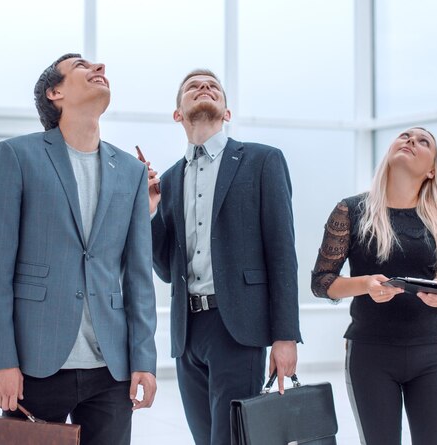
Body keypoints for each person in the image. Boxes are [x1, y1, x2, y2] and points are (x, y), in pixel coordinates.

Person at [0, 53, 157, 445]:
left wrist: (145, 360)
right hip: (35, 364)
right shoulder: (16, 156)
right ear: (56, 92)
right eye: (83, 67)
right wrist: (3, 360)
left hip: (111, 369)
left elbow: (138, 276)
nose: (99, 68)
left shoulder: (131, 172)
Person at [149, 69, 302, 444]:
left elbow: (282, 254)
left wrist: (286, 337)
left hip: (238, 327)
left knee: (231, 440)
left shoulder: (262, 161)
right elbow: (167, 269)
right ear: (178, 114)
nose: (204, 87)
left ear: (227, 113)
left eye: (213, 86)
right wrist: (151, 213)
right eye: (193, 86)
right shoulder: (168, 180)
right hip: (187, 333)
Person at [311, 127, 437, 445]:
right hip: (371, 353)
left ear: (431, 170)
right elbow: (321, 282)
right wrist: (366, 284)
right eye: (405, 136)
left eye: (423, 141)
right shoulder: (352, 210)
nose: (411, 141)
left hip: (433, 353)